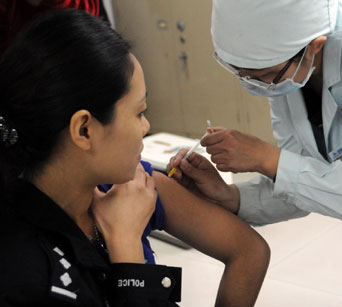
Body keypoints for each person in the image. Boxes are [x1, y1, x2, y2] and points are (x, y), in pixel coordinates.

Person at [166, 0, 342, 306]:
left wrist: (266, 158)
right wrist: (231, 197)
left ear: (314, 46)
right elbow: (307, 183)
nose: (257, 88)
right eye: (242, 74)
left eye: (263, 76)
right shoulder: (289, 71)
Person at [0, 9, 270, 307]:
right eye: (139, 112)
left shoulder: (129, 188)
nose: (146, 127)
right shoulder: (24, 273)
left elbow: (249, 251)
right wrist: (126, 246)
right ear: (85, 129)